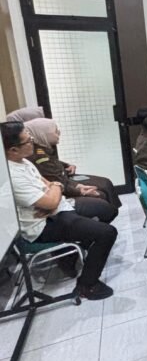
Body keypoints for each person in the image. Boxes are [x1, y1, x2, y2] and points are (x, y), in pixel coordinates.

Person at [3, 121, 117, 300]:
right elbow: (51, 197)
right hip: (42, 225)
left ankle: (83, 247)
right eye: (28, 140)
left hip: (56, 210)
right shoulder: (12, 175)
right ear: (13, 150)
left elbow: (47, 186)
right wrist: (54, 191)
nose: (32, 142)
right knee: (107, 233)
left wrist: (53, 193)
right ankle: (87, 285)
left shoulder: (23, 161)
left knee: (106, 210)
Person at [24, 118, 120, 223]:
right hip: (62, 190)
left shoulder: (43, 148)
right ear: (43, 134)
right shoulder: (38, 155)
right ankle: (99, 223)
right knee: (100, 193)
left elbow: (53, 163)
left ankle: (105, 217)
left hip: (65, 181)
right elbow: (57, 183)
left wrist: (67, 165)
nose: (59, 133)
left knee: (105, 183)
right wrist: (81, 191)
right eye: (55, 131)